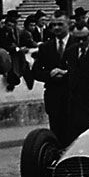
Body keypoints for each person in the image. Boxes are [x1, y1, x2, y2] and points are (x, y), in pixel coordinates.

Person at [31, 13, 73, 145]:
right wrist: (49, 74)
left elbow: (87, 69)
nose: (56, 28)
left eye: (60, 24)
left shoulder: (78, 43)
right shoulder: (45, 47)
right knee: (57, 133)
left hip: (75, 95)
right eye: (53, 25)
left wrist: (67, 73)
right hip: (54, 96)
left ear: (68, 25)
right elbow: (36, 72)